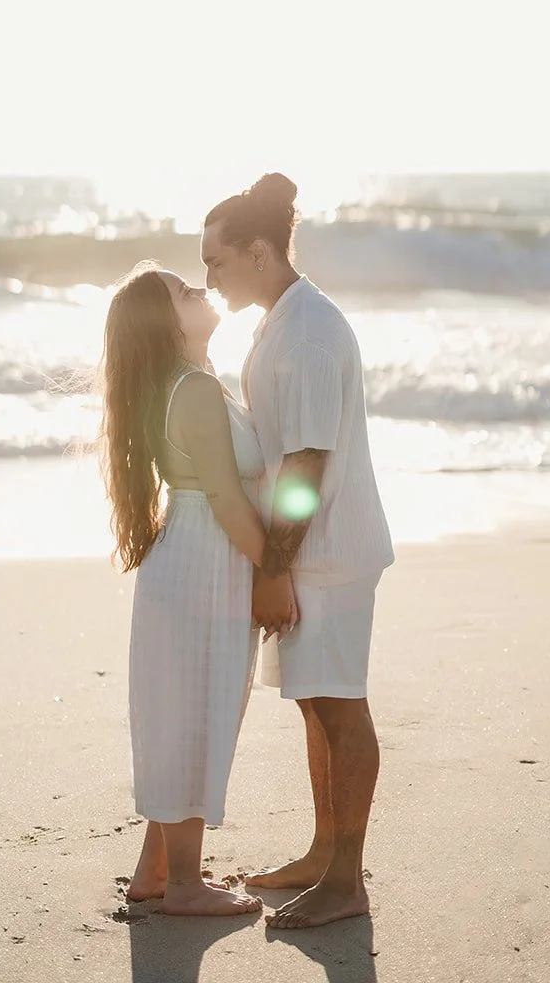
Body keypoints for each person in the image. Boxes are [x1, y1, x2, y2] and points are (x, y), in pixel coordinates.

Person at [201, 174, 395, 930]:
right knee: (316, 707)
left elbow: (307, 462)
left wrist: (274, 569)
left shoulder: (307, 332)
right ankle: (323, 856)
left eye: (217, 261)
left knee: (339, 708)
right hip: (311, 550)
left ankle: (345, 881)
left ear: (256, 250)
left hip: (329, 552)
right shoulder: (279, 319)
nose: (209, 278)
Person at [99, 261, 296, 918]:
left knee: (185, 712)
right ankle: (184, 884)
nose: (200, 289)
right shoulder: (194, 390)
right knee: (192, 716)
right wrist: (275, 573)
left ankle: (154, 871)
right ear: (166, 322)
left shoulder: (188, 382)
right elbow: (225, 499)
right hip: (203, 561)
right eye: (184, 292)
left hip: (193, 560)